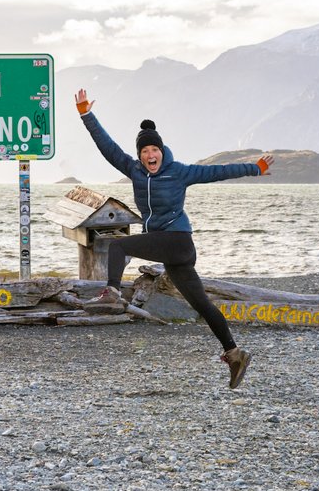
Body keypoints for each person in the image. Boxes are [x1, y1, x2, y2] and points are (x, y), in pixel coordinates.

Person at [75, 88, 274, 389]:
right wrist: (86, 114)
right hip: (169, 251)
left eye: (153, 150)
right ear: (140, 156)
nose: (149, 155)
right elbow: (108, 147)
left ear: (161, 150)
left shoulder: (178, 172)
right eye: (144, 152)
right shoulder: (134, 170)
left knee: (117, 245)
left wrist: (254, 169)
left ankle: (112, 293)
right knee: (202, 305)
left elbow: (217, 171)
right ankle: (234, 354)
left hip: (179, 241)